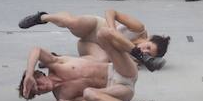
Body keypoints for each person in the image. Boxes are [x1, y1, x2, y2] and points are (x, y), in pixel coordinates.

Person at [19, 29, 155, 101]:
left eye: (38, 84)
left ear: (39, 75)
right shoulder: (63, 96)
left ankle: (144, 57)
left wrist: (29, 74)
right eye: (38, 92)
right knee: (88, 93)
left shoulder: (56, 64)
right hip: (119, 90)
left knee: (103, 33)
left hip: (120, 69)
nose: (41, 89)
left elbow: (36, 50)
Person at [18, 9, 169, 71]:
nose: (145, 51)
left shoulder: (136, 58)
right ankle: (43, 17)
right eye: (148, 47)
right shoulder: (139, 29)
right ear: (148, 38)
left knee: (101, 61)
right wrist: (112, 30)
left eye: (149, 54)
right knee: (72, 23)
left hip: (91, 45)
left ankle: (55, 58)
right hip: (95, 27)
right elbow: (111, 11)